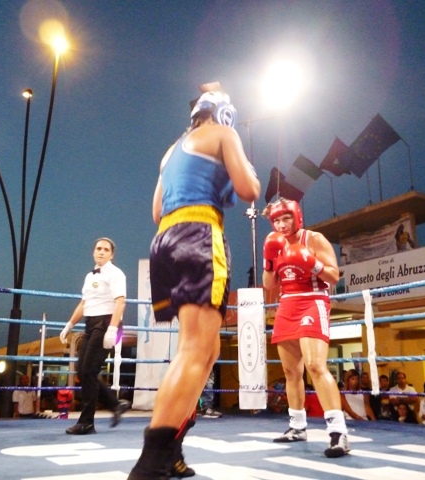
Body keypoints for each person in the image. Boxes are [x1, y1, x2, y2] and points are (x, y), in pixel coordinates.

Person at [128, 84, 260, 480]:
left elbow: (156, 211)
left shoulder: (171, 150)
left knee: (208, 350)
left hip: (165, 240)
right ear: (223, 115)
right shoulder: (224, 134)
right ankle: (149, 463)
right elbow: (249, 189)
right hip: (199, 234)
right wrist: (242, 165)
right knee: (194, 349)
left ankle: (171, 452)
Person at [261, 197, 350, 458]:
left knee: (315, 365)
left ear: (296, 216)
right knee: (290, 371)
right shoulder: (274, 242)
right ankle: (297, 427)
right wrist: (269, 258)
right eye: (276, 220)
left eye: (285, 218)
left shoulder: (315, 239)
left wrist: (310, 262)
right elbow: (269, 284)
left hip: (313, 302)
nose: (281, 225)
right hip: (286, 305)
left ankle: (338, 432)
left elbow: (333, 276)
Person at [60, 238, 130, 435]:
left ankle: (87, 422)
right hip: (90, 324)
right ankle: (115, 404)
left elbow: (121, 303)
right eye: (98, 248)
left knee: (89, 370)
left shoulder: (116, 274)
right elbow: (84, 303)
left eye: (106, 249)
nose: (101, 252)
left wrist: (112, 329)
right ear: (93, 252)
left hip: (107, 322)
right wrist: (70, 324)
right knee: (82, 372)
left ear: (111, 254)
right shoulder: (89, 276)